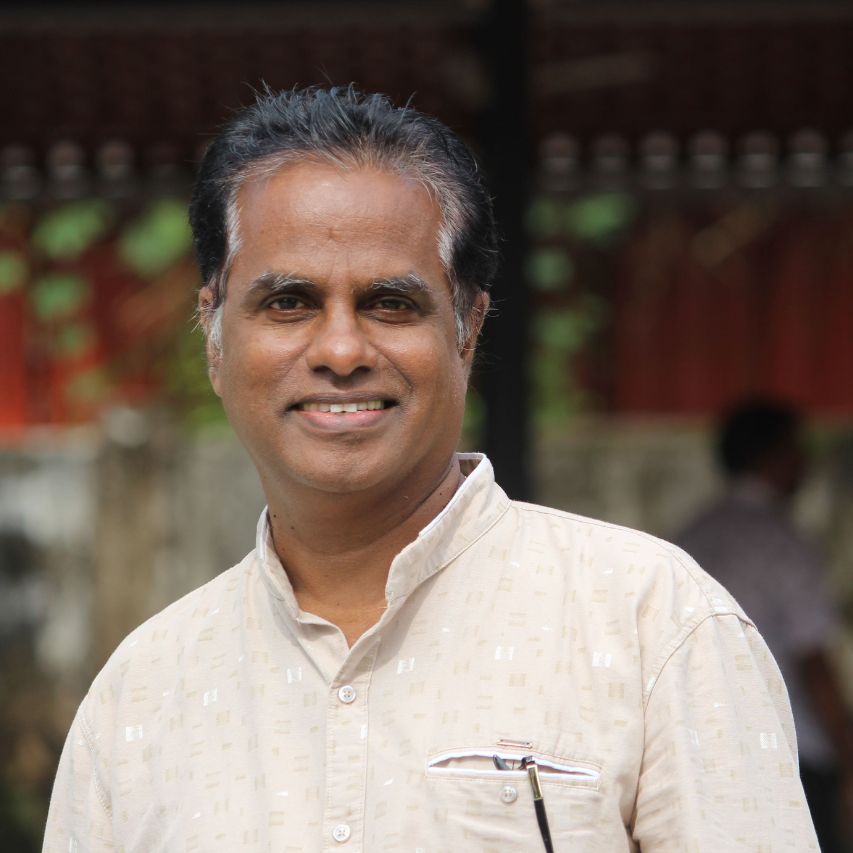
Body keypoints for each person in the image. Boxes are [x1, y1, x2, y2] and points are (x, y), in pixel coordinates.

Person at [43, 87, 818, 852]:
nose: (340, 350)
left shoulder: (653, 625)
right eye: (288, 302)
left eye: (389, 303)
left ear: (466, 328)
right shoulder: (141, 693)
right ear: (213, 336)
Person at [676, 399, 853, 853]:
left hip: (702, 746)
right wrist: (846, 747)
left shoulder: (689, 537)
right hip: (790, 749)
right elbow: (812, 659)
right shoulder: (783, 542)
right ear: (775, 455)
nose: (807, 464)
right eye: (799, 449)